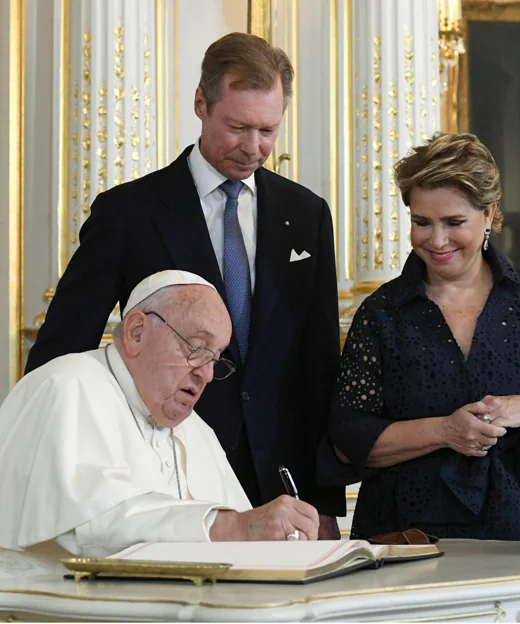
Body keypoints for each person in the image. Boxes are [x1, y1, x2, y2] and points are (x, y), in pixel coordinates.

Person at [24, 32, 343, 537]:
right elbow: (63, 348)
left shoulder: (307, 214)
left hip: (281, 487)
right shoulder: (129, 213)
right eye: (237, 127)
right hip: (165, 485)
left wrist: (324, 502)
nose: (253, 147)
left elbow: (319, 363)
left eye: (268, 130)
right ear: (201, 103)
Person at [317, 132, 520, 541]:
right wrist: (446, 431)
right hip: (403, 538)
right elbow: (348, 438)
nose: (437, 240)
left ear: (488, 214)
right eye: (422, 223)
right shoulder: (381, 313)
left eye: (453, 222)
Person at [0, 271, 320, 558]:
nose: (207, 375)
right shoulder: (69, 384)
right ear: (137, 332)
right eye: (196, 348)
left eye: (216, 358)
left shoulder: (197, 431)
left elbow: (244, 534)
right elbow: (89, 527)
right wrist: (234, 528)